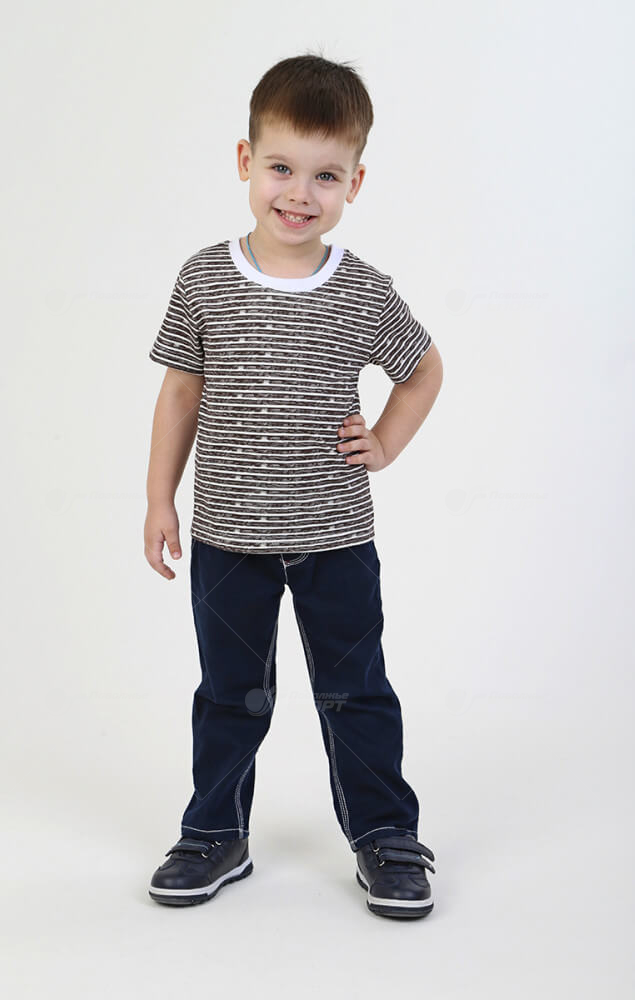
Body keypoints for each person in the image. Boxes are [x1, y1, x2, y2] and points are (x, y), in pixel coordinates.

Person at [144, 53, 443, 920]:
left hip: (335, 539)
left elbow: (422, 369)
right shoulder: (204, 277)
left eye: (325, 176)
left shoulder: (362, 290)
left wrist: (385, 441)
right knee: (227, 694)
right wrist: (159, 499)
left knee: (356, 693)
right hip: (226, 539)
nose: (299, 193)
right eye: (281, 167)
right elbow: (180, 392)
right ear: (246, 161)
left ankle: (386, 835)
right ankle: (213, 832)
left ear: (354, 181)